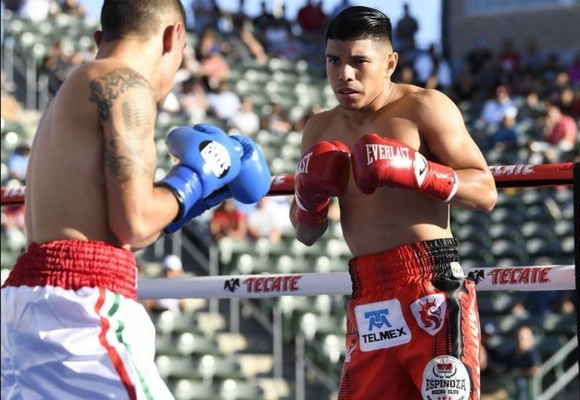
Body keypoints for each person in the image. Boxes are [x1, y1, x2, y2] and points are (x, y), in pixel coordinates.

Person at [0, 1, 271, 399]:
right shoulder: (127, 86)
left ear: (99, 40)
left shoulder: (72, 90)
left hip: (28, 302)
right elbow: (136, 222)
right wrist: (200, 172)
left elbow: (122, 226)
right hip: (81, 309)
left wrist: (200, 194)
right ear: (173, 36)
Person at [289, 6, 497, 400]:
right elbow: (305, 233)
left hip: (429, 284)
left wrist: (420, 172)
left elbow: (485, 191)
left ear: (390, 63)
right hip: (367, 291)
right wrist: (308, 198)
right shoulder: (320, 127)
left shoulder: (424, 107)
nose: (344, 74)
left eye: (358, 62)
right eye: (334, 61)